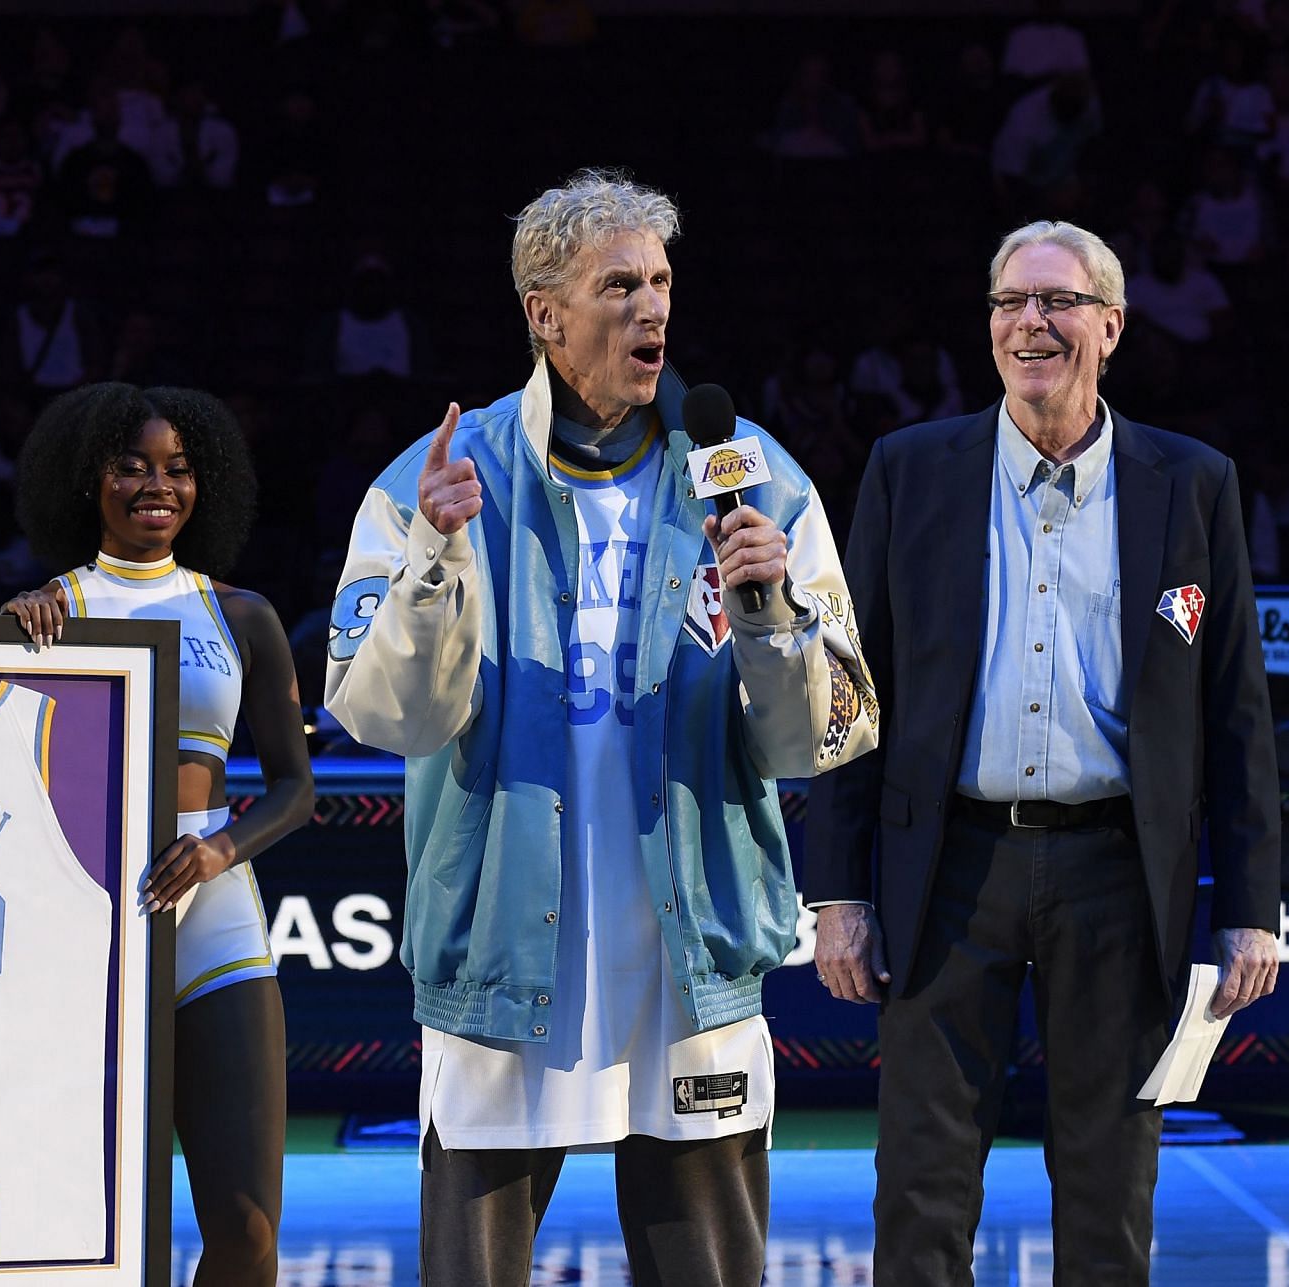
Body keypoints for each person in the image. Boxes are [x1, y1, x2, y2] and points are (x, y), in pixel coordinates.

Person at [323, 170, 879, 1285]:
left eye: (663, 281)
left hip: (692, 958)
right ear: (545, 314)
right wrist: (434, 563)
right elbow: (382, 713)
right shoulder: (439, 478)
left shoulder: (756, 481)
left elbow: (825, 735)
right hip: (501, 946)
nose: (653, 309)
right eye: (619, 284)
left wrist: (772, 612)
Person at [805, 220, 1282, 1286]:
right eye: (1010, 302)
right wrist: (837, 890)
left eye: (1059, 302)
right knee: (922, 1185)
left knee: (1111, 1186)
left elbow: (1235, 706)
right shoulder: (910, 470)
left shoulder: (1192, 482)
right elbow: (851, 687)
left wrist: (1253, 903)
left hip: (1118, 872)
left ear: (1110, 326)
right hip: (948, 870)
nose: (1032, 322)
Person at [2, 383, 314, 1287]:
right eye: (131, 464)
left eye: (178, 468)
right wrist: (11, 641)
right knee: (98, 1234)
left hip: (216, 921)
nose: (157, 484)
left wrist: (219, 848)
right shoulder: (44, 611)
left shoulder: (241, 615)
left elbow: (296, 790)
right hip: (83, 927)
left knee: (250, 1228)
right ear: (87, 479)